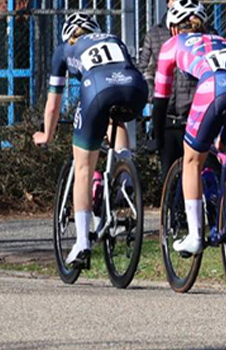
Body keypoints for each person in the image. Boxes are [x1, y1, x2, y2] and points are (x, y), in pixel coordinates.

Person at [32, 13, 147, 268]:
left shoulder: (64, 50)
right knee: (114, 120)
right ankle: (125, 171)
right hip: (134, 87)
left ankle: (82, 242)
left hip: (97, 88)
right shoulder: (113, 39)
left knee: (83, 167)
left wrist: (46, 134)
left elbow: (53, 106)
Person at [152, 0, 226, 255]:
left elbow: (160, 100)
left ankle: (194, 235)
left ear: (174, 28)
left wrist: (157, 139)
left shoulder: (171, 44)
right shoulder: (220, 39)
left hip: (215, 88)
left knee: (191, 159)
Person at [139, 0, 199, 180]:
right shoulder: (155, 34)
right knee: (169, 172)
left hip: (194, 114)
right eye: (175, 0)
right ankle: (175, 209)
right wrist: (152, 95)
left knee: (199, 167)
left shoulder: (205, 32)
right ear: (167, 3)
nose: (179, 4)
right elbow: (145, 69)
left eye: (185, 0)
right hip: (166, 114)